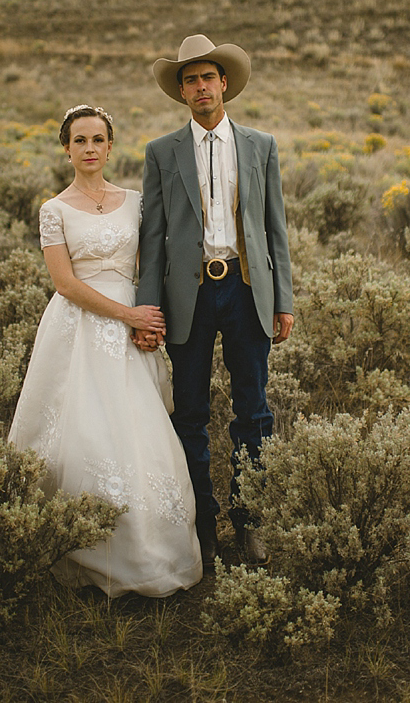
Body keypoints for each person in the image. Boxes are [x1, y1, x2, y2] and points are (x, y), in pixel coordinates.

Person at [8, 104, 202, 598]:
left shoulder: (134, 201)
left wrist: (149, 316)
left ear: (110, 146)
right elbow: (65, 283)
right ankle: (77, 544)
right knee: (82, 428)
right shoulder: (54, 210)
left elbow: (150, 263)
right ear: (66, 148)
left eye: (98, 140)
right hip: (79, 328)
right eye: (80, 141)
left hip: (133, 323)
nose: (89, 149)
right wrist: (127, 316)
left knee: (141, 429)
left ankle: (149, 549)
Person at [134, 35, 294, 568]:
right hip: (190, 295)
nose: (200, 87)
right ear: (181, 91)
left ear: (224, 83)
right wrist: (148, 308)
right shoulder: (161, 153)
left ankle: (251, 520)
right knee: (191, 413)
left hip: (249, 290)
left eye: (208, 77)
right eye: (190, 80)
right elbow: (151, 238)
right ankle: (202, 526)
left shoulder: (260, 145)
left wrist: (283, 299)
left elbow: (275, 228)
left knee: (254, 411)